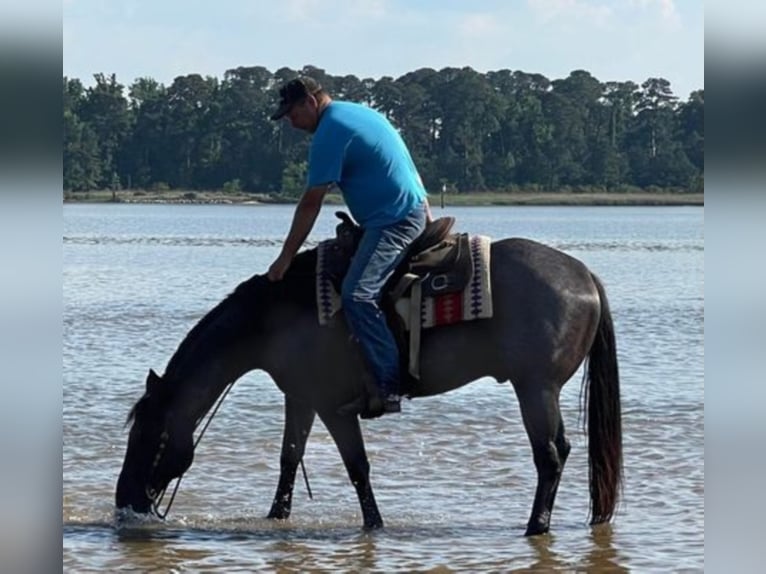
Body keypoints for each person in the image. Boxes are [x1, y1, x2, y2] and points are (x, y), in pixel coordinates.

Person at [267, 76, 432, 417]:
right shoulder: (357, 112)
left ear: (310, 103)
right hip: (406, 209)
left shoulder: (331, 131)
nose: (291, 123)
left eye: (292, 115)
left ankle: (389, 385)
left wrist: (284, 259)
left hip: (393, 220)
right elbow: (405, 162)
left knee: (358, 294)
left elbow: (311, 203)